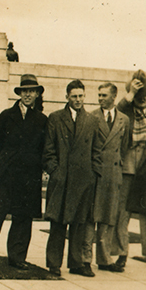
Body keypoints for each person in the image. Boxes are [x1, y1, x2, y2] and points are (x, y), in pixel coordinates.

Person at [0, 74, 48, 270]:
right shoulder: (6, 115)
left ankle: (17, 257)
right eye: (24, 91)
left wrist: (37, 166)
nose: (27, 95)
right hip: (7, 175)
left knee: (23, 218)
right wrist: (4, 161)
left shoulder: (42, 120)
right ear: (19, 93)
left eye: (31, 91)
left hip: (29, 177)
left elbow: (44, 147)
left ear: (37, 94)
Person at [43, 79, 101, 277]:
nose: (78, 100)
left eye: (81, 96)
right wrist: (56, 172)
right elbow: (48, 150)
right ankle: (53, 263)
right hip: (62, 180)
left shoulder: (92, 121)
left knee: (79, 223)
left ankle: (76, 264)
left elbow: (96, 151)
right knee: (58, 224)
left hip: (83, 180)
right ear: (66, 96)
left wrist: (92, 175)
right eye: (74, 96)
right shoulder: (55, 118)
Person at [114, 70, 146, 269]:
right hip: (126, 167)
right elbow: (117, 112)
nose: (143, 100)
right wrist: (129, 95)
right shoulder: (125, 110)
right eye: (139, 96)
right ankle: (121, 254)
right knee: (122, 213)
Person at [85, 82, 130, 272]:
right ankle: (85, 258)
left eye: (104, 95)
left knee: (108, 217)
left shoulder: (124, 120)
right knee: (90, 217)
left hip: (113, 174)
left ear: (114, 97)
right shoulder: (91, 117)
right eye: (99, 95)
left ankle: (104, 260)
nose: (100, 99)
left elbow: (125, 146)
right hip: (95, 173)